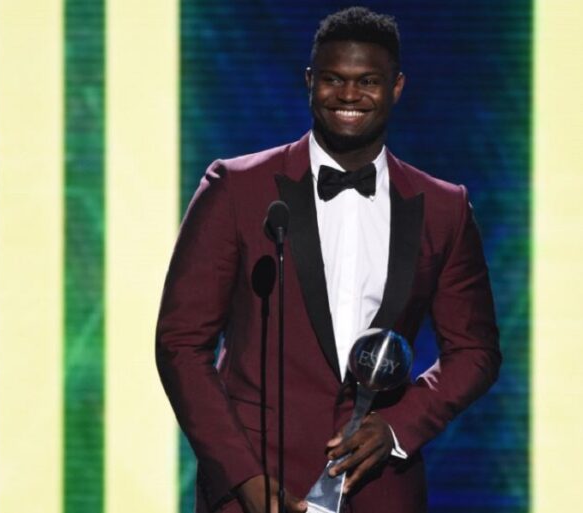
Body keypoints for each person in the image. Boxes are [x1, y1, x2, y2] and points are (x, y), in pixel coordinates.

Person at [156, 7, 500, 513]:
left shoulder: (443, 208)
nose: (349, 95)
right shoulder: (236, 189)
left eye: (368, 81)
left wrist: (398, 427)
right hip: (257, 484)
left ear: (396, 87)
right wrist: (243, 477)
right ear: (309, 82)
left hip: (380, 488)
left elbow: (475, 351)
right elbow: (181, 343)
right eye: (333, 79)